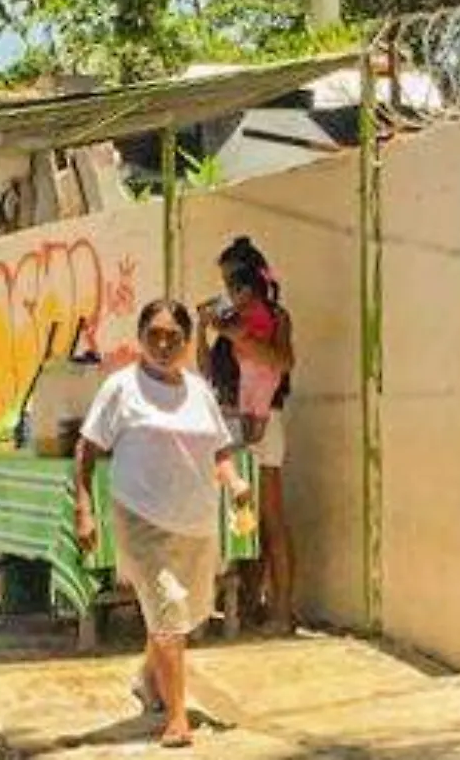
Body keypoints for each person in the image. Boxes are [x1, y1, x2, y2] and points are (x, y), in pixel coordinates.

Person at [74, 300, 252, 749]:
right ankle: (176, 718)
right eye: (154, 334)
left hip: (196, 520)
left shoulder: (198, 391)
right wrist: (83, 507)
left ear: (187, 341)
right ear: (140, 336)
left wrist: (235, 484)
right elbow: (87, 448)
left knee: (184, 615)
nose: (163, 343)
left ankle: (148, 677)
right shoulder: (121, 388)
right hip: (141, 516)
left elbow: (219, 450)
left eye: (173, 336)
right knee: (169, 611)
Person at [199, 236, 296, 635]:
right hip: (234, 422)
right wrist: (206, 332)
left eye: (231, 283)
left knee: (272, 519)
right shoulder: (231, 322)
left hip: (265, 424)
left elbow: (282, 360)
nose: (227, 292)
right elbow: (207, 371)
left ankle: (283, 610)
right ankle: (254, 602)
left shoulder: (275, 317)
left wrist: (237, 334)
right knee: (244, 518)